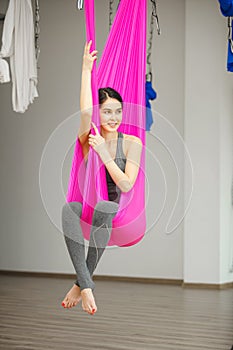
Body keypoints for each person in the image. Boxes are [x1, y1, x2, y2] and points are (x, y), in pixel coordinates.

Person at [61, 40, 143, 315]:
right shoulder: (90, 135)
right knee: (68, 210)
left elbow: (127, 183)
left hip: (112, 209)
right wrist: (86, 69)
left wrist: (104, 155)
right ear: (99, 112)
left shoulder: (131, 142)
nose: (114, 117)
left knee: (106, 206)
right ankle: (85, 285)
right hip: (86, 202)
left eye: (118, 111)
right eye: (107, 111)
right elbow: (85, 111)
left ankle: (80, 283)